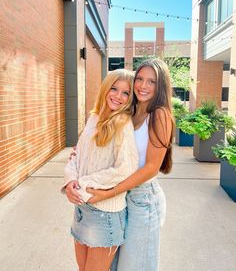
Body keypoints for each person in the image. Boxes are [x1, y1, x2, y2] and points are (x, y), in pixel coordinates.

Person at [86, 59, 174, 271]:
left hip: (143, 199)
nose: (143, 86)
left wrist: (109, 192)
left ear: (160, 86)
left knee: (136, 266)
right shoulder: (129, 111)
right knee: (113, 265)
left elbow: (151, 167)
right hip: (120, 198)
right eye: (140, 79)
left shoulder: (159, 115)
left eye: (151, 81)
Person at [62, 69, 139, 271]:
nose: (118, 96)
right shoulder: (93, 118)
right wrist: (70, 182)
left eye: (125, 93)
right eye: (114, 89)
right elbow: (77, 154)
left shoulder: (123, 124)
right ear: (105, 89)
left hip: (106, 214)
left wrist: (83, 184)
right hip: (81, 209)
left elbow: (125, 169)